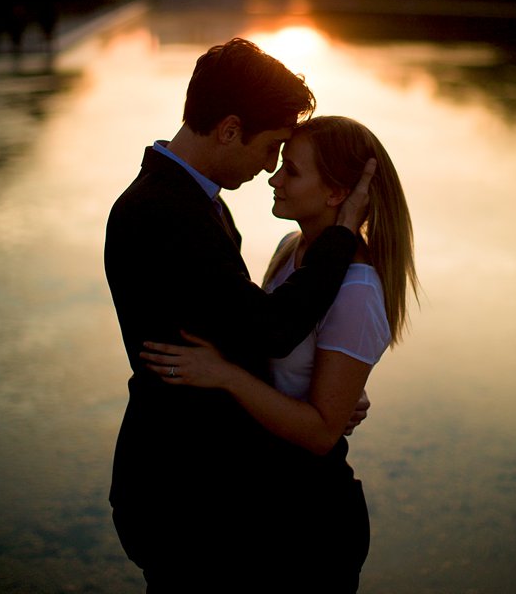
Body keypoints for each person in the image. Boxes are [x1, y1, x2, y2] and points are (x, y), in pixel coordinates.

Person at [104, 40, 375, 593]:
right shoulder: (164, 213)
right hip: (185, 496)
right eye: (273, 146)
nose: (272, 167)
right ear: (229, 129)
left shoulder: (197, 200)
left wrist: (324, 393)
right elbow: (269, 330)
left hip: (207, 491)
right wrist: (342, 234)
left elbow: (231, 326)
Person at [140, 115, 419, 593]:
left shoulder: (356, 289)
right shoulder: (292, 249)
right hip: (265, 504)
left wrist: (225, 375)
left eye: (292, 170)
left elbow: (320, 435)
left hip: (311, 520)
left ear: (335, 193)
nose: (274, 178)